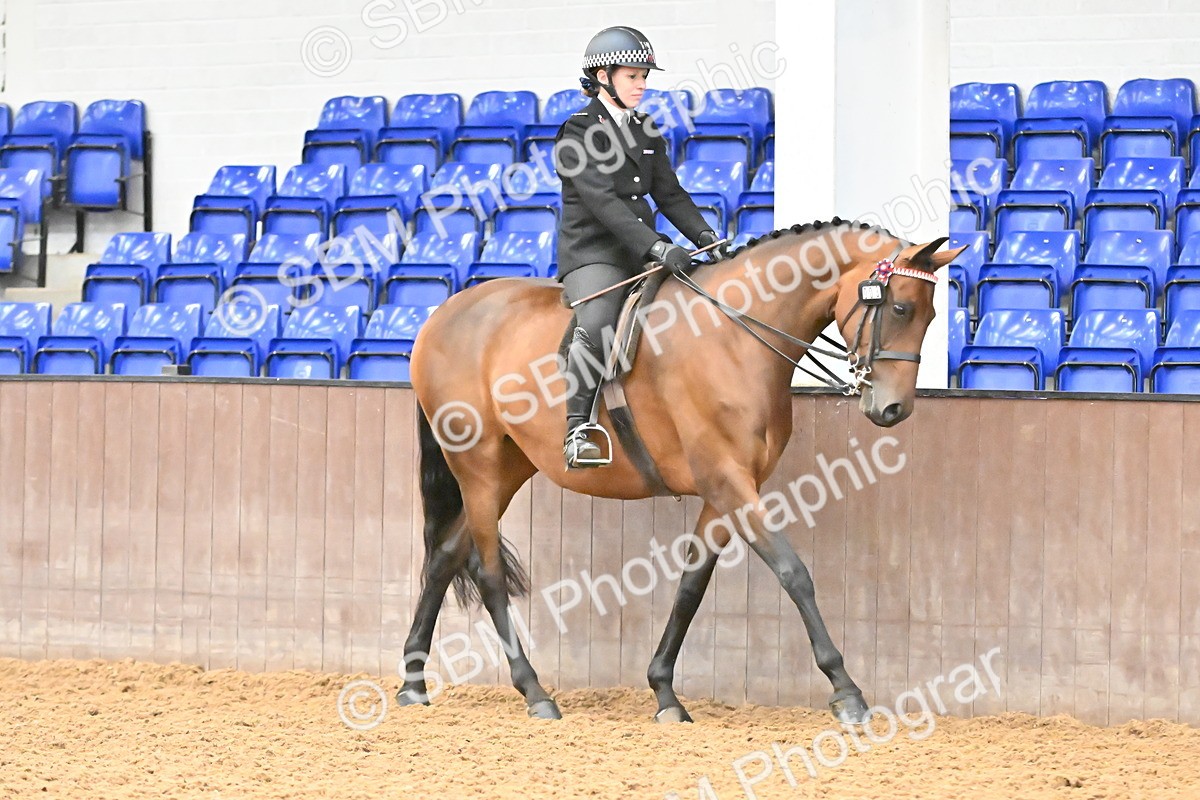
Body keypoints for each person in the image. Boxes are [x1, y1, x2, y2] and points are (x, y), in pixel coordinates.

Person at [554, 25, 728, 469]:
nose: (642, 85)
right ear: (603, 77)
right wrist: (655, 247)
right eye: (633, 76)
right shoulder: (575, 133)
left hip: (642, 249)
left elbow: (670, 194)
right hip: (594, 252)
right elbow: (604, 204)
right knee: (597, 320)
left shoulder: (645, 129)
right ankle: (578, 429)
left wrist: (706, 238)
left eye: (644, 76)